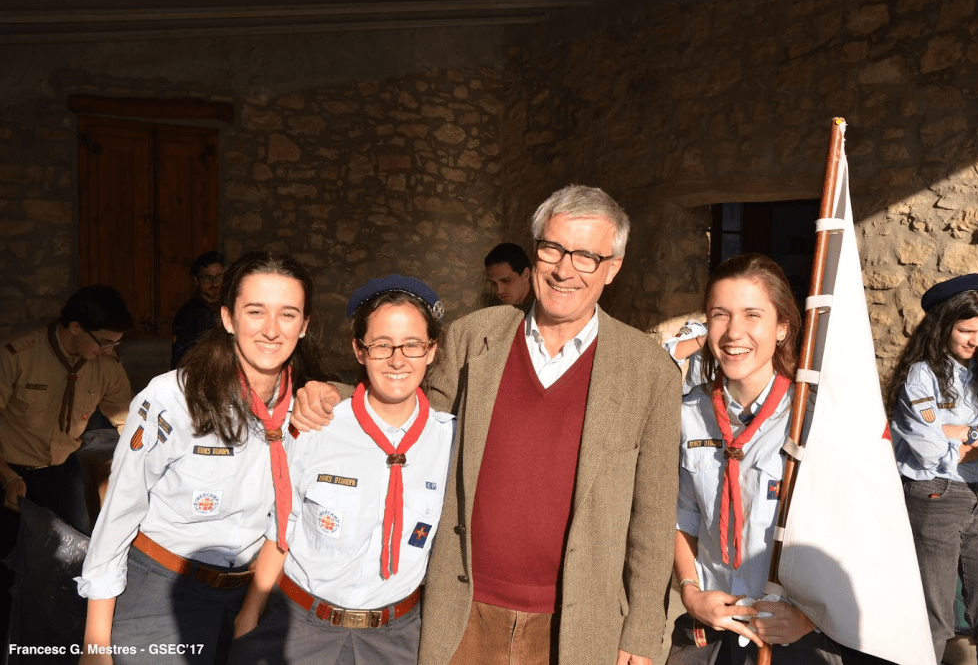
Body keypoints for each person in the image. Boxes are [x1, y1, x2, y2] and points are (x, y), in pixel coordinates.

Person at [294, 185, 682, 665]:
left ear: (612, 268)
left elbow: (655, 515)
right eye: (553, 249)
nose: (564, 269)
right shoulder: (475, 338)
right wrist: (330, 391)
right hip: (464, 613)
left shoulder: (649, 371)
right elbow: (406, 408)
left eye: (586, 256)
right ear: (535, 252)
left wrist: (642, 632)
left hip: (576, 624)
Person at [76, 251, 329, 665]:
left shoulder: (306, 409)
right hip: (161, 591)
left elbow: (289, 514)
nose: (270, 330)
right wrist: (96, 643)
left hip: (252, 595)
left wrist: (251, 614)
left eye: (287, 315)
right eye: (255, 311)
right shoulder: (172, 398)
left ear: (304, 326)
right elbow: (119, 511)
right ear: (228, 318)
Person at [229, 275, 454, 665]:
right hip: (300, 628)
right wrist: (248, 619)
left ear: (431, 351)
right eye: (381, 345)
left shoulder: (450, 441)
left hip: (396, 640)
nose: (397, 360)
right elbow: (282, 525)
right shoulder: (318, 425)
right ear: (359, 350)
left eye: (413, 346)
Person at [670, 253, 850, 664]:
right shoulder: (688, 415)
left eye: (752, 315)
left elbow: (851, 535)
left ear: (782, 327)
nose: (734, 332)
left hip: (791, 635)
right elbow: (682, 517)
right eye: (720, 314)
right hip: (709, 629)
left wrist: (810, 618)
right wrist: (691, 592)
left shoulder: (813, 420)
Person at [885, 274, 978, 665]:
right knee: (932, 624)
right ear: (943, 324)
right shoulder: (921, 376)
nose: (975, 340)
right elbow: (929, 454)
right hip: (934, 497)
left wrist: (967, 433)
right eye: (965, 330)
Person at [1, 285, 133, 532]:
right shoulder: (16, 356)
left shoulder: (107, 365)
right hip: (9, 472)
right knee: (10, 559)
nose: (108, 350)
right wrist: (8, 476)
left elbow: (127, 419)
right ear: (75, 327)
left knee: (73, 554)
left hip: (62, 472)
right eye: (104, 342)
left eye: (115, 344)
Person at [171, 251, 224, 368]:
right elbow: (181, 359)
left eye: (219, 277)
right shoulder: (188, 314)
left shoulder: (232, 307)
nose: (214, 283)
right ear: (196, 280)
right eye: (208, 278)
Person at [484, 242, 533, 307]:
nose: (499, 291)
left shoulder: (543, 308)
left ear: (526, 274)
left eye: (505, 281)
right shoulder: (500, 310)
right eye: (494, 283)